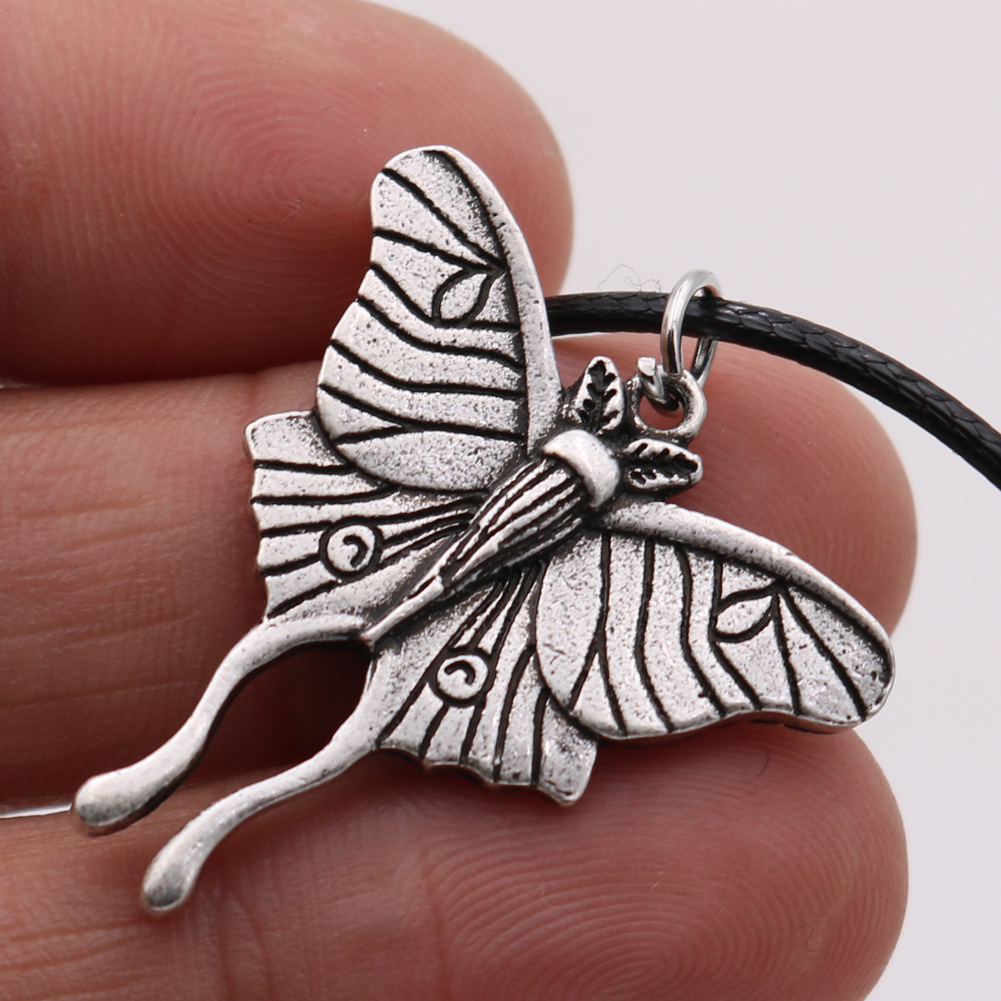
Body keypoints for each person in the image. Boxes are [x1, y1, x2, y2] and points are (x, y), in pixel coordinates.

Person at [0, 1, 914, 997]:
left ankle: (196, 813)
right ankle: (178, 785)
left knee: (322, 694)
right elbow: (430, 192)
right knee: (318, 694)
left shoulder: (604, 484)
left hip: (441, 574)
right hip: (422, 545)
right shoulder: (623, 501)